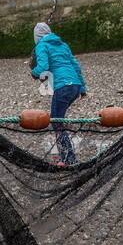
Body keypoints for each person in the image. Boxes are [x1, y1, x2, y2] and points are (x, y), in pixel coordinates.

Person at [30, 22, 87, 166]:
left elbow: (43, 67)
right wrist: (82, 88)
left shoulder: (41, 46)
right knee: (59, 120)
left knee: (56, 123)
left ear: (37, 37)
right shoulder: (63, 45)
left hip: (62, 87)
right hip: (74, 85)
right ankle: (65, 156)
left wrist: (33, 72)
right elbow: (75, 65)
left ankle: (68, 159)